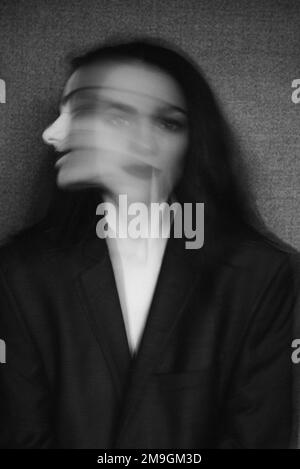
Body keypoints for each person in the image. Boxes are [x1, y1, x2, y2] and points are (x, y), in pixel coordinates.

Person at [0, 38, 297, 449]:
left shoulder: (259, 275)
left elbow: (258, 435)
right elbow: (22, 435)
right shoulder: (21, 273)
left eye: (83, 111)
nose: (51, 134)